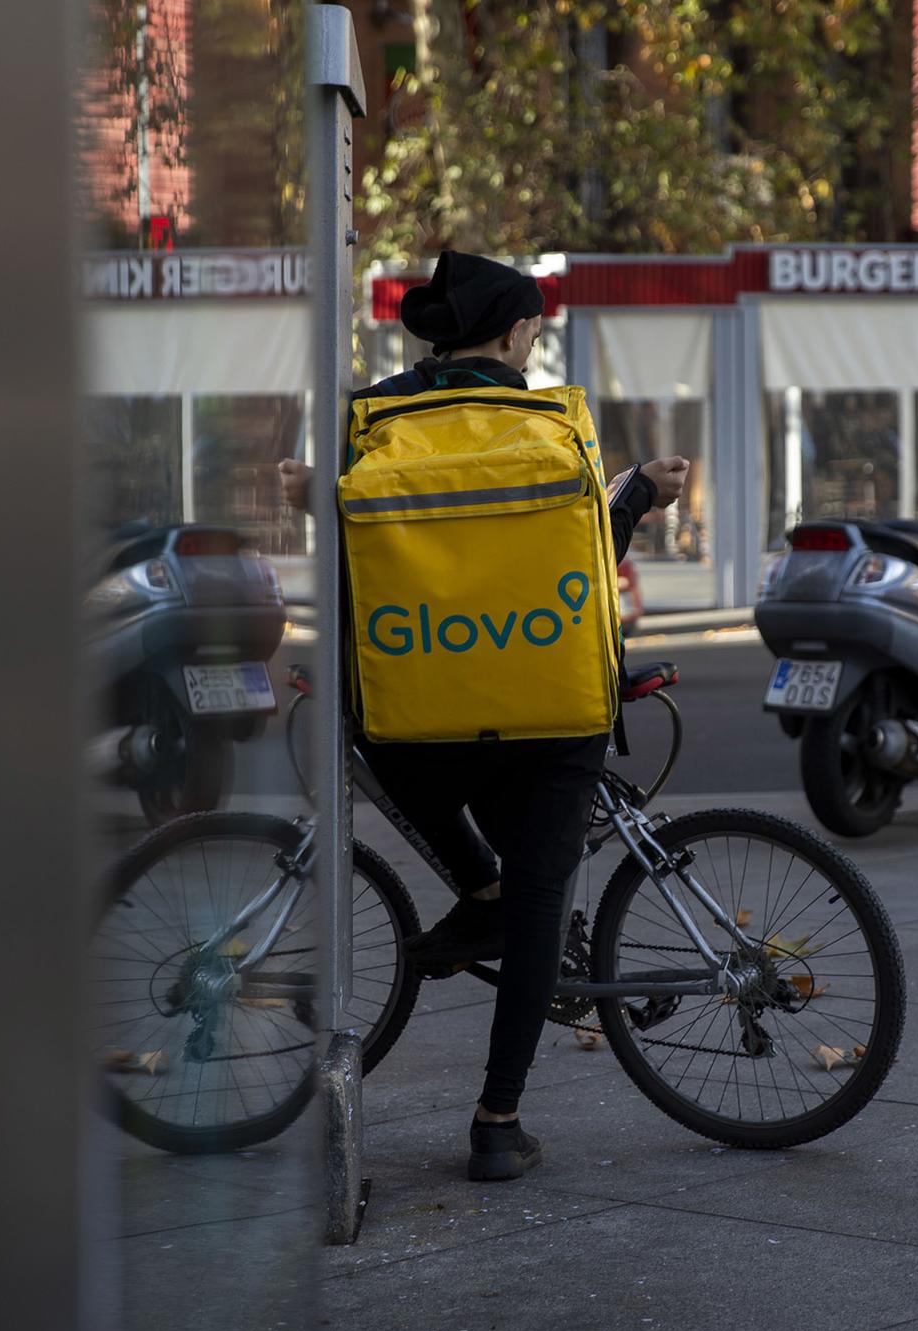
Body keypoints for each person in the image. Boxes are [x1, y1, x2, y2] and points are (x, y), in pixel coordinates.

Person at [278, 250, 687, 1181]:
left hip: (419, 719)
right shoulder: (554, 421)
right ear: (513, 334)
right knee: (543, 904)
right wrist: (641, 492)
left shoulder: (371, 419)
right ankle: (497, 1123)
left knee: (369, 742)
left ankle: (478, 887)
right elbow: (583, 553)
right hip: (552, 715)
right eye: (533, 329)